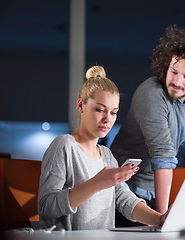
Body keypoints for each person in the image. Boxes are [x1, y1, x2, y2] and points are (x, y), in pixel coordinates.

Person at [110, 25, 185, 218]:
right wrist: (161, 218)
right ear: (166, 66)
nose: (177, 81)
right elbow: (162, 155)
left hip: (155, 188)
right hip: (124, 189)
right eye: (173, 72)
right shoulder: (151, 93)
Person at [37, 66, 168, 230]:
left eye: (113, 112)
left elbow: (124, 199)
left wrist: (160, 219)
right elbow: (46, 207)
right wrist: (97, 183)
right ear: (81, 105)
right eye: (100, 110)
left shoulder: (106, 155)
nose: (108, 119)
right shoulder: (64, 145)